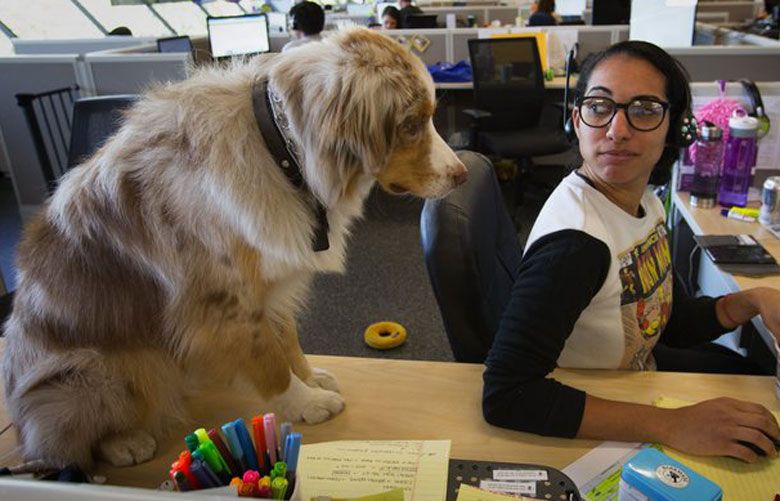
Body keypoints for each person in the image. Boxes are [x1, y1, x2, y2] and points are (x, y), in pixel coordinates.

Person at [482, 40, 780, 463]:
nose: (616, 130)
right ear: (577, 121)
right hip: (592, 423)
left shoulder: (644, 203)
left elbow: (660, 321)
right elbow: (507, 394)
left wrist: (751, 300)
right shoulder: (576, 244)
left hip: (634, 381)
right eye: (599, 107)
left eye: (643, 109)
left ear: (674, 128)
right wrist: (673, 425)